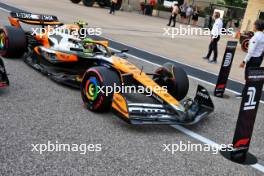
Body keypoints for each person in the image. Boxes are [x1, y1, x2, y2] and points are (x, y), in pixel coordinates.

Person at [237, 20, 264, 97]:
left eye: (254, 25)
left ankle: (244, 94)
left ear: (257, 26)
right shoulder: (263, 35)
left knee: (248, 77)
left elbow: (250, 51)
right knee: (253, 77)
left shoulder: (256, 37)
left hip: (253, 59)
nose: (253, 26)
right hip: (259, 58)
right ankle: (250, 93)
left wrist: (244, 61)